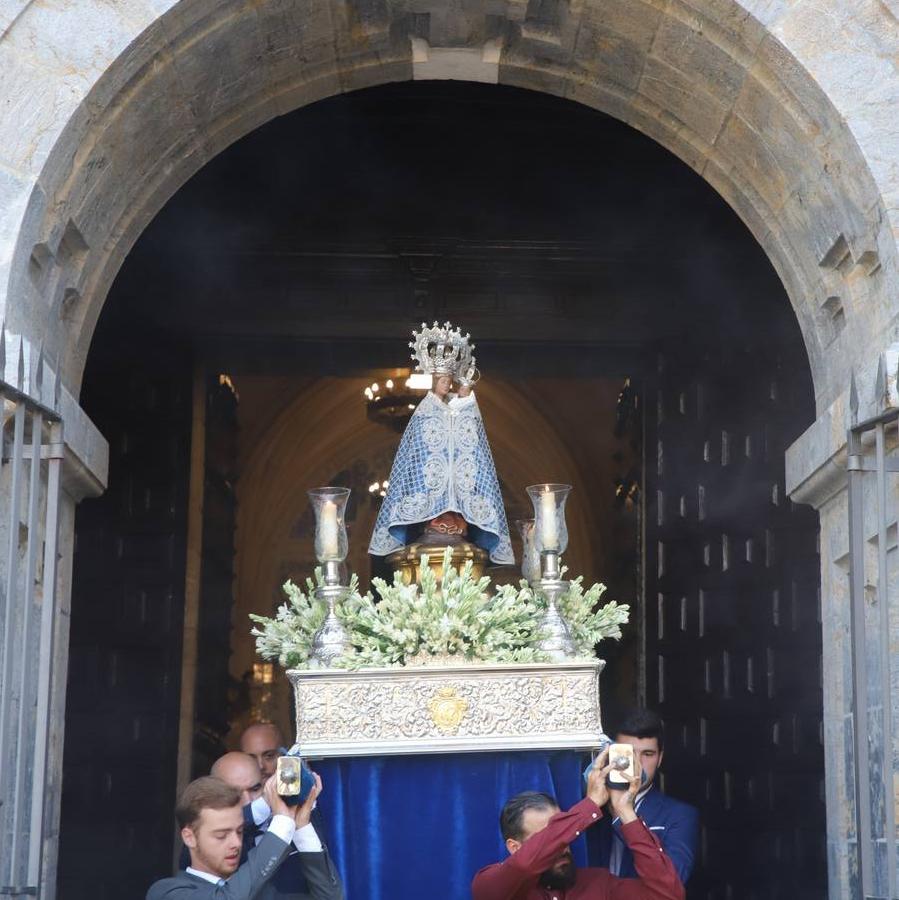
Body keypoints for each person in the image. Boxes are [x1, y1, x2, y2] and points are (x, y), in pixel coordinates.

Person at [368, 322, 514, 565]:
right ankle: (433, 520)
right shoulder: (425, 410)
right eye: (443, 381)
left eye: (449, 381)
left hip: (458, 483)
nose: (447, 385)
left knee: (458, 505)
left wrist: (466, 392)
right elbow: (417, 449)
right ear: (435, 381)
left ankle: (455, 520)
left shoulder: (460, 407)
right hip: (430, 479)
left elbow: (470, 441)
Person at [471, 748, 685, 899]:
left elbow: (668, 894)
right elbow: (523, 865)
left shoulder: (599, 883)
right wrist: (590, 805)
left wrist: (626, 812)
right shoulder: (492, 885)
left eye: (565, 832)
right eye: (550, 836)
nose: (563, 844)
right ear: (514, 847)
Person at [147, 772, 323, 899]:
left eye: (239, 831)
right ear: (189, 837)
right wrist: (283, 822)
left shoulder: (262, 892)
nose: (236, 843)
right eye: (221, 835)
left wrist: (301, 826)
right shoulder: (167, 892)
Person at [590, 710, 699, 885]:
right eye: (628, 753)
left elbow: (674, 882)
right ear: (609, 754)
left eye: (648, 754)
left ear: (660, 758)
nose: (637, 763)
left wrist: (622, 814)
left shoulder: (680, 815)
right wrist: (590, 805)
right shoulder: (590, 806)